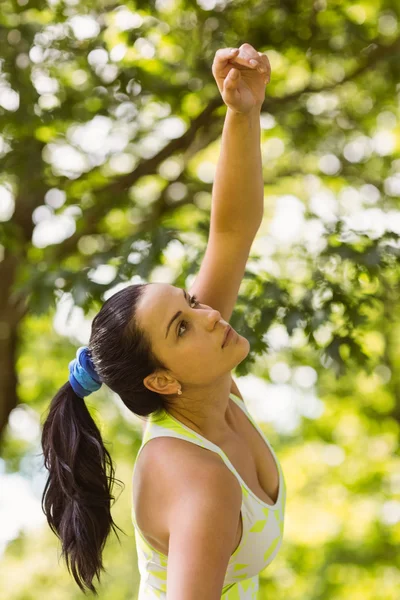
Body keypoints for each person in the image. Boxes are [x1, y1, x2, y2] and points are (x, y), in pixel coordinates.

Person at [41, 43, 285, 599]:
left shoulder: (205, 376)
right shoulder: (197, 481)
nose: (207, 314)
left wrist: (242, 113)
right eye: (181, 324)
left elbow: (229, 233)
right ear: (161, 381)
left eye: (190, 302)